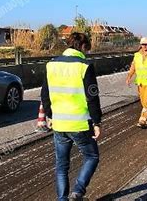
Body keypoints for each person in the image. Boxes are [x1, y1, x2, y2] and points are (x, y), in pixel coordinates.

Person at [41, 32, 102, 201]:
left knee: (62, 166)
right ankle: (78, 192)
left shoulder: (51, 65)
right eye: (86, 49)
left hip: (59, 124)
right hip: (79, 124)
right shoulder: (84, 66)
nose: (87, 53)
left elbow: (45, 94)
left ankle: (62, 199)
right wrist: (97, 121)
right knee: (92, 156)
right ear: (82, 46)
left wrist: (50, 115)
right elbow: (92, 96)